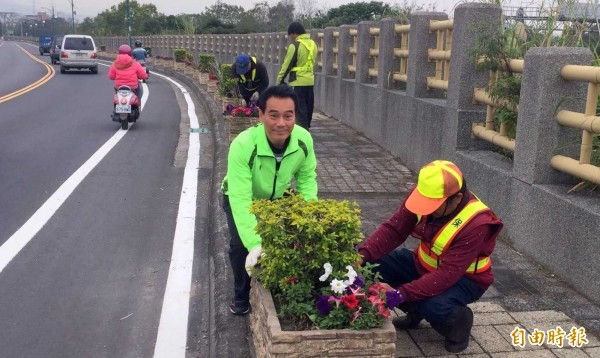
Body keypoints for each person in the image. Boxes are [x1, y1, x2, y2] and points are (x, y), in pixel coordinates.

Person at [356, 160, 503, 353]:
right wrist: (361, 255)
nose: (426, 209)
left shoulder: (477, 224)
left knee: (433, 305)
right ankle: (415, 309)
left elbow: (447, 275)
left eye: (433, 205)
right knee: (373, 264)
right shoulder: (424, 196)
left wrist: (398, 294)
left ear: (456, 198)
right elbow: (393, 230)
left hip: (465, 280)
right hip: (422, 264)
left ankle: (459, 324)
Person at [221, 85, 318, 315]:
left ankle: (285, 288)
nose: (281, 123)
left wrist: (309, 219)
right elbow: (241, 199)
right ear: (261, 115)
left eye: (288, 115)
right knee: (239, 246)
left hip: (278, 196)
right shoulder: (243, 145)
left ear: (295, 116)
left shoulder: (304, 140)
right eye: (273, 115)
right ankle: (241, 296)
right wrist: (254, 244)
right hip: (240, 195)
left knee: (291, 238)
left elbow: (306, 180)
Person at [276, 22, 318, 130]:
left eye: (290, 35)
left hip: (298, 82)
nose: (290, 38)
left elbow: (286, 65)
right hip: (310, 81)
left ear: (294, 33)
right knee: (309, 108)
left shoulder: (295, 45)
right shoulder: (313, 44)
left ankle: (303, 132)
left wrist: (279, 80)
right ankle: (307, 128)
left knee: (299, 109)